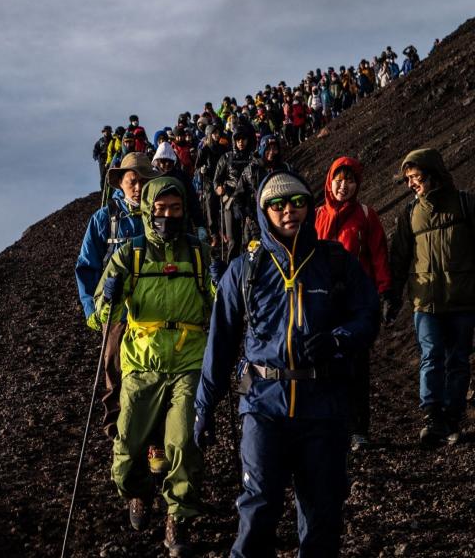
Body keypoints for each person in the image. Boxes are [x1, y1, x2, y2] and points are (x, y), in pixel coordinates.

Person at [195, 171, 380, 557]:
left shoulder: (334, 261)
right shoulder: (244, 270)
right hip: (264, 405)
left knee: (321, 515)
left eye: (297, 202)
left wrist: (336, 340)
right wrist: (203, 407)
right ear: (264, 212)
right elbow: (221, 342)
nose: (288, 211)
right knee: (259, 506)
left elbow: (367, 314)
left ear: (309, 206)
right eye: (277, 205)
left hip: (323, 406)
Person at [94, 176, 215, 555]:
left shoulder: (198, 254)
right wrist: (108, 297)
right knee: (127, 446)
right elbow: (101, 316)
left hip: (189, 360)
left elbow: (219, 307)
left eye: (175, 209)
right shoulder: (129, 255)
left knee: (182, 441)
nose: (167, 216)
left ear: (184, 211)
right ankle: (139, 492)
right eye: (160, 209)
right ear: (147, 210)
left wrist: (220, 282)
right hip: (142, 362)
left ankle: (177, 517)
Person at [387, 148, 475, 446]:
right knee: (431, 355)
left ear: (433, 173)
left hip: (462, 299)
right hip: (425, 302)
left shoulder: (465, 204)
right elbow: (398, 258)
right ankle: (432, 416)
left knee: (458, 360)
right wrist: (392, 295)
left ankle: (452, 416)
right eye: (408, 178)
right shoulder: (410, 214)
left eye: (416, 176)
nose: (411, 183)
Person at [315, 156, 393, 451]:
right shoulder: (316, 215)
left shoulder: (365, 215)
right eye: (338, 179)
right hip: (322, 301)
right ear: (329, 180)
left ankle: (358, 430)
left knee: (357, 367)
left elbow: (378, 256)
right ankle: (329, 426)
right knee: (323, 365)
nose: (343, 186)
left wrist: (385, 292)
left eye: (350, 180)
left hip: (355, 303)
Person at [77, 153, 156, 439]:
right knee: (113, 366)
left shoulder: (161, 216)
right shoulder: (103, 219)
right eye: (132, 181)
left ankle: (150, 436)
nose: (138, 187)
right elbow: (87, 266)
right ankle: (117, 431)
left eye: (144, 182)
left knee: (150, 370)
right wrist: (91, 309)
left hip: (153, 308)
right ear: (120, 183)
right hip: (117, 309)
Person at [234, 135, 292, 248]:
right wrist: (243, 211)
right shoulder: (251, 170)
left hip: (280, 218)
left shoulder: (285, 168)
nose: (271, 152)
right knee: (255, 254)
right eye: (268, 149)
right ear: (262, 149)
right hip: (256, 221)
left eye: (274, 148)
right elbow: (238, 194)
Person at [213, 125, 256, 262]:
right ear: (234, 141)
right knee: (233, 241)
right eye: (238, 140)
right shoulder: (226, 158)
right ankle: (231, 271)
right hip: (230, 203)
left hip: (249, 203)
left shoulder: (253, 158)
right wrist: (218, 188)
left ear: (248, 140)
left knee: (250, 241)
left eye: (243, 139)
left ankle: (250, 271)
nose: (241, 142)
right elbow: (216, 180)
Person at [153, 142, 205, 237]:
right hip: (159, 222)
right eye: (164, 161)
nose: (167, 164)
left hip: (181, 221)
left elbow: (192, 200)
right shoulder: (152, 178)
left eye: (170, 161)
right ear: (157, 161)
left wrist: (200, 224)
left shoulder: (181, 177)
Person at [93, 126, 114, 192]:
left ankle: (111, 190)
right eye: (105, 131)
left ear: (110, 132)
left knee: (111, 175)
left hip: (111, 159)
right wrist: (96, 157)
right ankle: (103, 190)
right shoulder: (100, 141)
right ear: (103, 132)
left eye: (108, 131)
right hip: (102, 159)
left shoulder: (113, 140)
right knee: (103, 176)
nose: (106, 132)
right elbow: (95, 150)